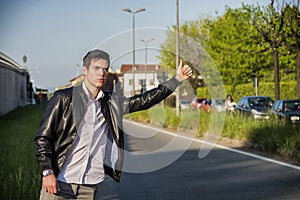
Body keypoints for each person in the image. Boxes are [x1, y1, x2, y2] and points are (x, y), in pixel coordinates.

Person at [34, 49, 193, 199]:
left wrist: (176, 80)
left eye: (105, 69)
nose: (101, 73)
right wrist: (48, 171)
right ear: (85, 70)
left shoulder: (111, 103)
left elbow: (145, 100)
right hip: (60, 181)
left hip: (89, 185)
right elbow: (43, 137)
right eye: (96, 68)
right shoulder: (64, 98)